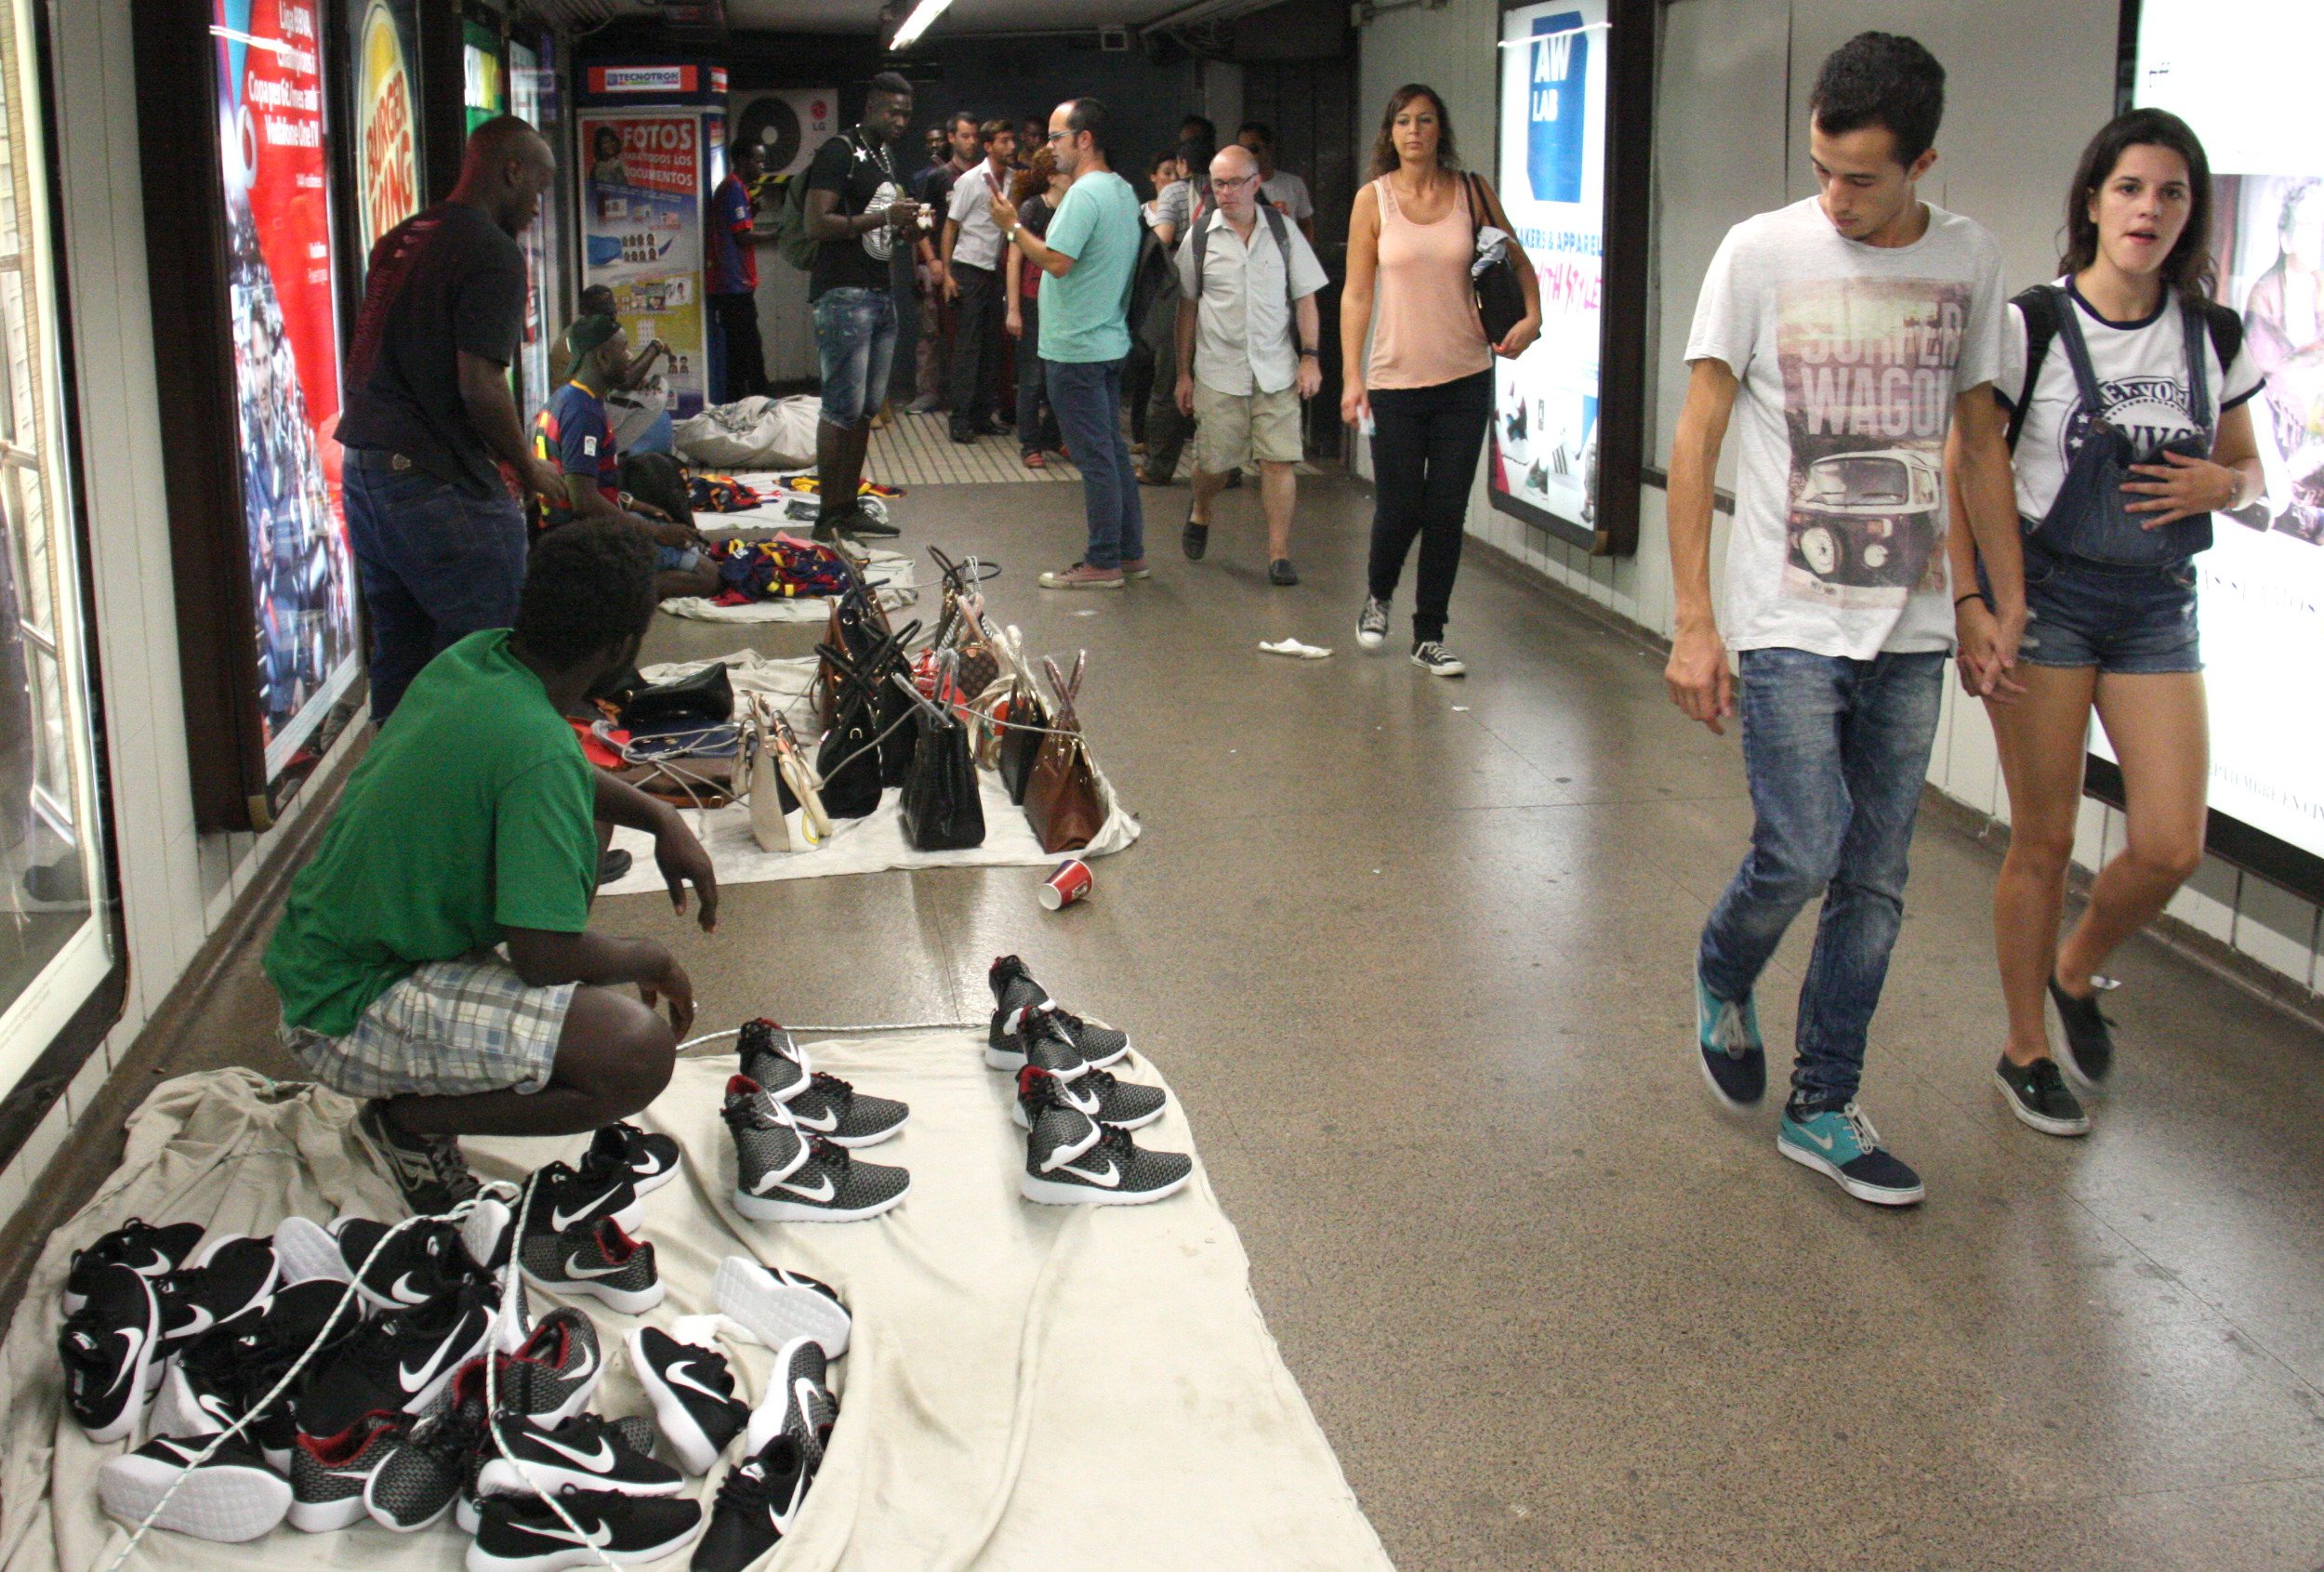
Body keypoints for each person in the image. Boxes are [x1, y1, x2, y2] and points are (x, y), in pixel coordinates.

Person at [1665, 33, 2025, 1207]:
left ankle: (1821, 1102)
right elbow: (1698, 434)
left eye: (1862, 178)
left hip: (1911, 627)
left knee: (1874, 879)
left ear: (1921, 159)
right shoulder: (1759, 253)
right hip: (1785, 615)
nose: (1835, 197)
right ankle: (1724, 966)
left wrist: (1985, 598)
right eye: (1822, 169)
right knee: (1803, 848)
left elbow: (1973, 438)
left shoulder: (1968, 260)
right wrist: (1693, 620)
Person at [262, 520, 720, 1214]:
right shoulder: (539, 747)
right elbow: (542, 957)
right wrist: (651, 958)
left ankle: (454, 1054)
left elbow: (552, 770)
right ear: (624, 646)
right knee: (636, 1050)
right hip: (342, 1007)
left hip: (322, 959)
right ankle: (411, 1126)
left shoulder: (478, 659)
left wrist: (661, 815)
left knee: (593, 811)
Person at [1956, 110, 2264, 1138]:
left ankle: (2075, 968)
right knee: (2042, 835)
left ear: (2191, 214)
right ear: (2092, 202)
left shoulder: (2211, 333)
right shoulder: (2031, 323)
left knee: (2172, 843)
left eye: (2171, 193)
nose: (2148, 209)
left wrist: (2225, 482)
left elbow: (2248, 465)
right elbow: (1970, 466)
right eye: (2130, 188)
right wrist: (1982, 602)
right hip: (2048, 596)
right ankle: (2022, 1046)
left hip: (2154, 606)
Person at [337, 115, 562, 725]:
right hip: (432, 478)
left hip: (365, 472)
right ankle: (472, 798)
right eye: (537, 189)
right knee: (488, 655)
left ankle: (394, 796)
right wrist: (528, 465)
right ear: (511, 171)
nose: (538, 207)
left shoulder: (405, 237)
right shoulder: (491, 252)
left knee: (402, 652)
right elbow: (482, 385)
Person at [1339, 86, 1540, 677]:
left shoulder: (1470, 192)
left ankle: (1430, 633)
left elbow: (1517, 261)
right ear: (1390, 132)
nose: (1414, 131)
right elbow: (1356, 293)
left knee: (1447, 508)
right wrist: (1352, 376)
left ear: (1439, 129)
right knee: (1401, 503)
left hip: (1465, 375)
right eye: (1403, 120)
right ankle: (1378, 595)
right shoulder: (1372, 201)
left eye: (1426, 119)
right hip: (1394, 380)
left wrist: (1532, 317)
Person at [992, 97, 1146, 589]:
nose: (1049, 146)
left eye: (1058, 137)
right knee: (1112, 453)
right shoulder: (1122, 191)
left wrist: (1011, 228)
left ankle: (1102, 561)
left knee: (1095, 457)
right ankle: (1130, 554)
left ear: (1084, 140)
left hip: (1075, 348)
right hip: (1105, 341)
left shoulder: (1083, 195)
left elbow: (1057, 261)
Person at [1174, 144, 1327, 584]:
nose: (1225, 192)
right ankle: (1201, 508)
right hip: (1219, 370)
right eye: (1217, 184)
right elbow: (1187, 309)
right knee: (1215, 463)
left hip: (1276, 367)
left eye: (1234, 183)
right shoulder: (1200, 237)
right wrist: (1183, 374)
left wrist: (1310, 358)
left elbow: (1305, 298)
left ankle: (1278, 553)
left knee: (1279, 460)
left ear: (1255, 183)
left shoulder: (1282, 231)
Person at [802, 73, 921, 544]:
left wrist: (907, 228)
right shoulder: (839, 151)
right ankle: (827, 516)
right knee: (841, 408)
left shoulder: (886, 155)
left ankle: (847, 507)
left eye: (906, 113)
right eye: (892, 111)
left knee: (866, 410)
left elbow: (884, 226)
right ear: (870, 107)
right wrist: (883, 216)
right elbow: (817, 223)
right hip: (843, 294)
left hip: (880, 290)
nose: (900, 121)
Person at [534, 314, 718, 601]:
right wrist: (655, 534)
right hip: (583, 538)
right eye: (625, 349)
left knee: (690, 544)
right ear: (603, 358)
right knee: (706, 575)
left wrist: (638, 506)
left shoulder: (566, 398)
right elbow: (584, 501)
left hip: (571, 528)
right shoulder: (583, 413)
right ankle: (610, 591)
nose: (630, 357)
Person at [1139, 131, 1218, 487]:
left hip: (1181, 295)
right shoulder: (1227, 190)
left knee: (1169, 381)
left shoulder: (1173, 192)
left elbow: (1164, 237)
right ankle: (1224, 468)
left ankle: (1158, 467)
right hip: (1221, 298)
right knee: (1219, 385)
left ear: (1183, 164)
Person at [942, 119, 1017, 443]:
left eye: (1012, 140)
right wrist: (946, 274)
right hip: (969, 269)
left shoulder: (1015, 179)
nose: (1011, 147)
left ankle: (983, 415)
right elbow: (950, 227)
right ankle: (960, 419)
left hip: (995, 270)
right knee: (968, 346)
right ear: (988, 146)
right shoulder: (971, 181)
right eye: (1004, 141)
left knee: (992, 346)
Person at [1005, 148, 1069, 468]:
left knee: (1061, 374)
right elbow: (1014, 258)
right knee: (1032, 377)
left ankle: (1054, 436)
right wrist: (1013, 308)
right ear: (1053, 177)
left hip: (1063, 304)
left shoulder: (1074, 209)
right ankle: (1030, 443)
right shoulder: (1033, 208)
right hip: (1032, 302)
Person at [709, 140, 766, 404]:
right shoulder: (733, 188)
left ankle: (742, 402)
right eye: (758, 161)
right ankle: (761, 403)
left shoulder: (736, 188)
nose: (762, 167)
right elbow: (742, 236)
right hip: (733, 285)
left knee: (740, 351)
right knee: (748, 351)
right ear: (743, 160)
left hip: (734, 284)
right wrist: (779, 234)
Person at [1236, 121, 1317, 243]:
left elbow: (1306, 224)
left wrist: (1302, 256)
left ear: (1269, 148)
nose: (1247, 155)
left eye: (1253, 149)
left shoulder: (1293, 184)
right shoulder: (1234, 187)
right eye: (1242, 150)